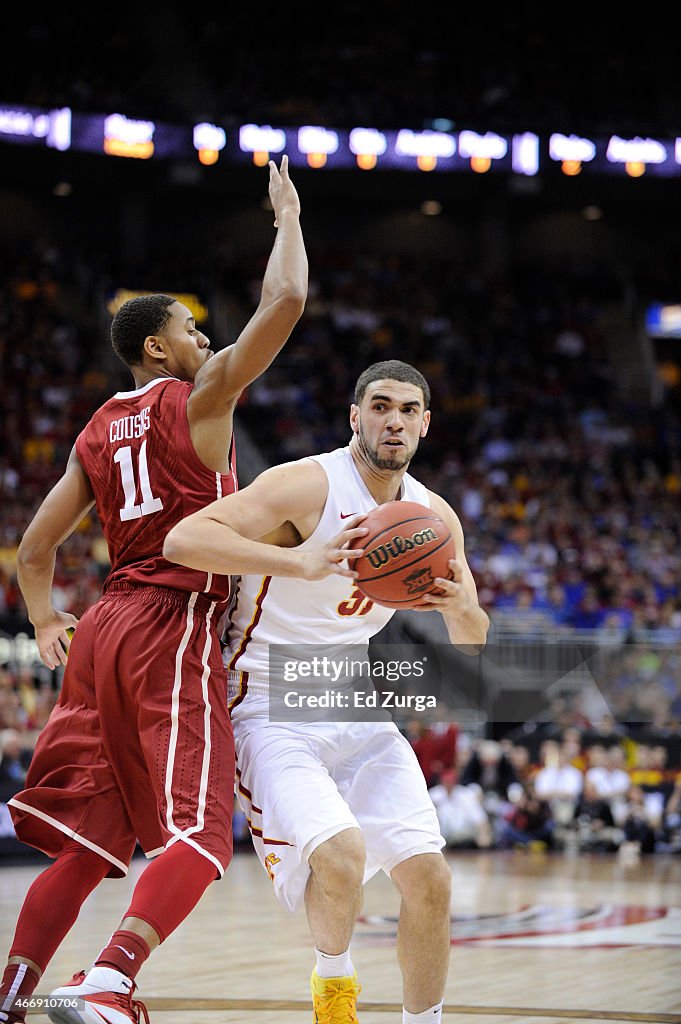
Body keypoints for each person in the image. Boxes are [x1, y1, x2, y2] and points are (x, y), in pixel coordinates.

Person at [0, 155, 307, 1024]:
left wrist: (45, 620)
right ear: (154, 348)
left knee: (89, 841)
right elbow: (282, 305)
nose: (206, 340)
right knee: (201, 837)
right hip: (169, 617)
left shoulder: (95, 429)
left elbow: (33, 549)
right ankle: (110, 981)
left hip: (98, 629)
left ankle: (11, 996)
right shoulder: (198, 397)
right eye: (191, 328)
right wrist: (285, 220)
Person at [163, 359, 490, 1024]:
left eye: (406, 409)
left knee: (430, 878)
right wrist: (297, 559)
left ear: (424, 424)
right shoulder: (307, 484)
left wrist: (457, 607)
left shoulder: (431, 517)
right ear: (355, 416)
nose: (392, 419)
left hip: (351, 700)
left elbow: (473, 637)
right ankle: (333, 993)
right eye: (378, 405)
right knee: (340, 857)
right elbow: (183, 538)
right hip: (265, 700)